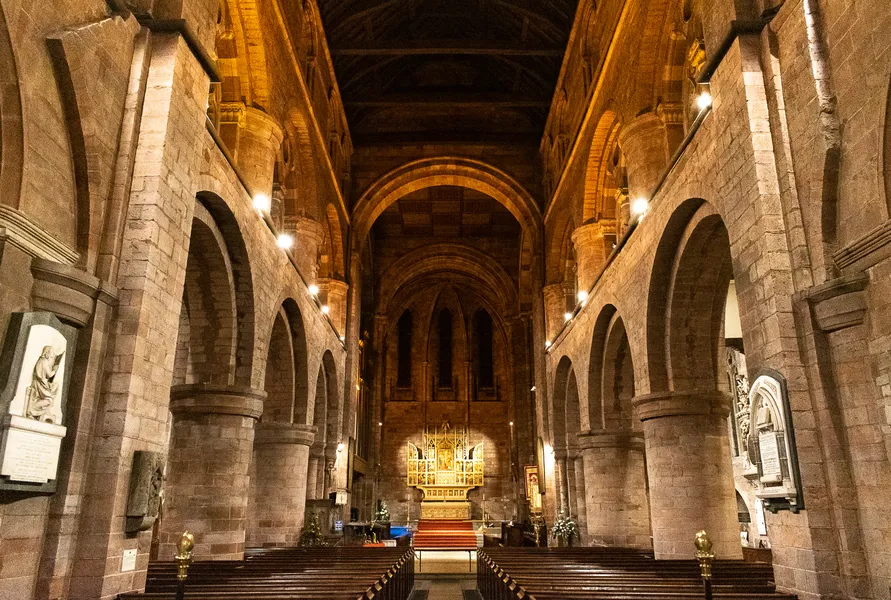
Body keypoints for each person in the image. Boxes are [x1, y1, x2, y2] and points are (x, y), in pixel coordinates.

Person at [25, 346, 63, 423]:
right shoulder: (44, 362)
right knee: (49, 399)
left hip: (40, 383)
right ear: (47, 353)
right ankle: (32, 410)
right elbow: (49, 374)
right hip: (40, 384)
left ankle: (34, 411)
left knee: (54, 388)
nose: (52, 355)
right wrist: (55, 370)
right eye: (52, 353)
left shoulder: (41, 360)